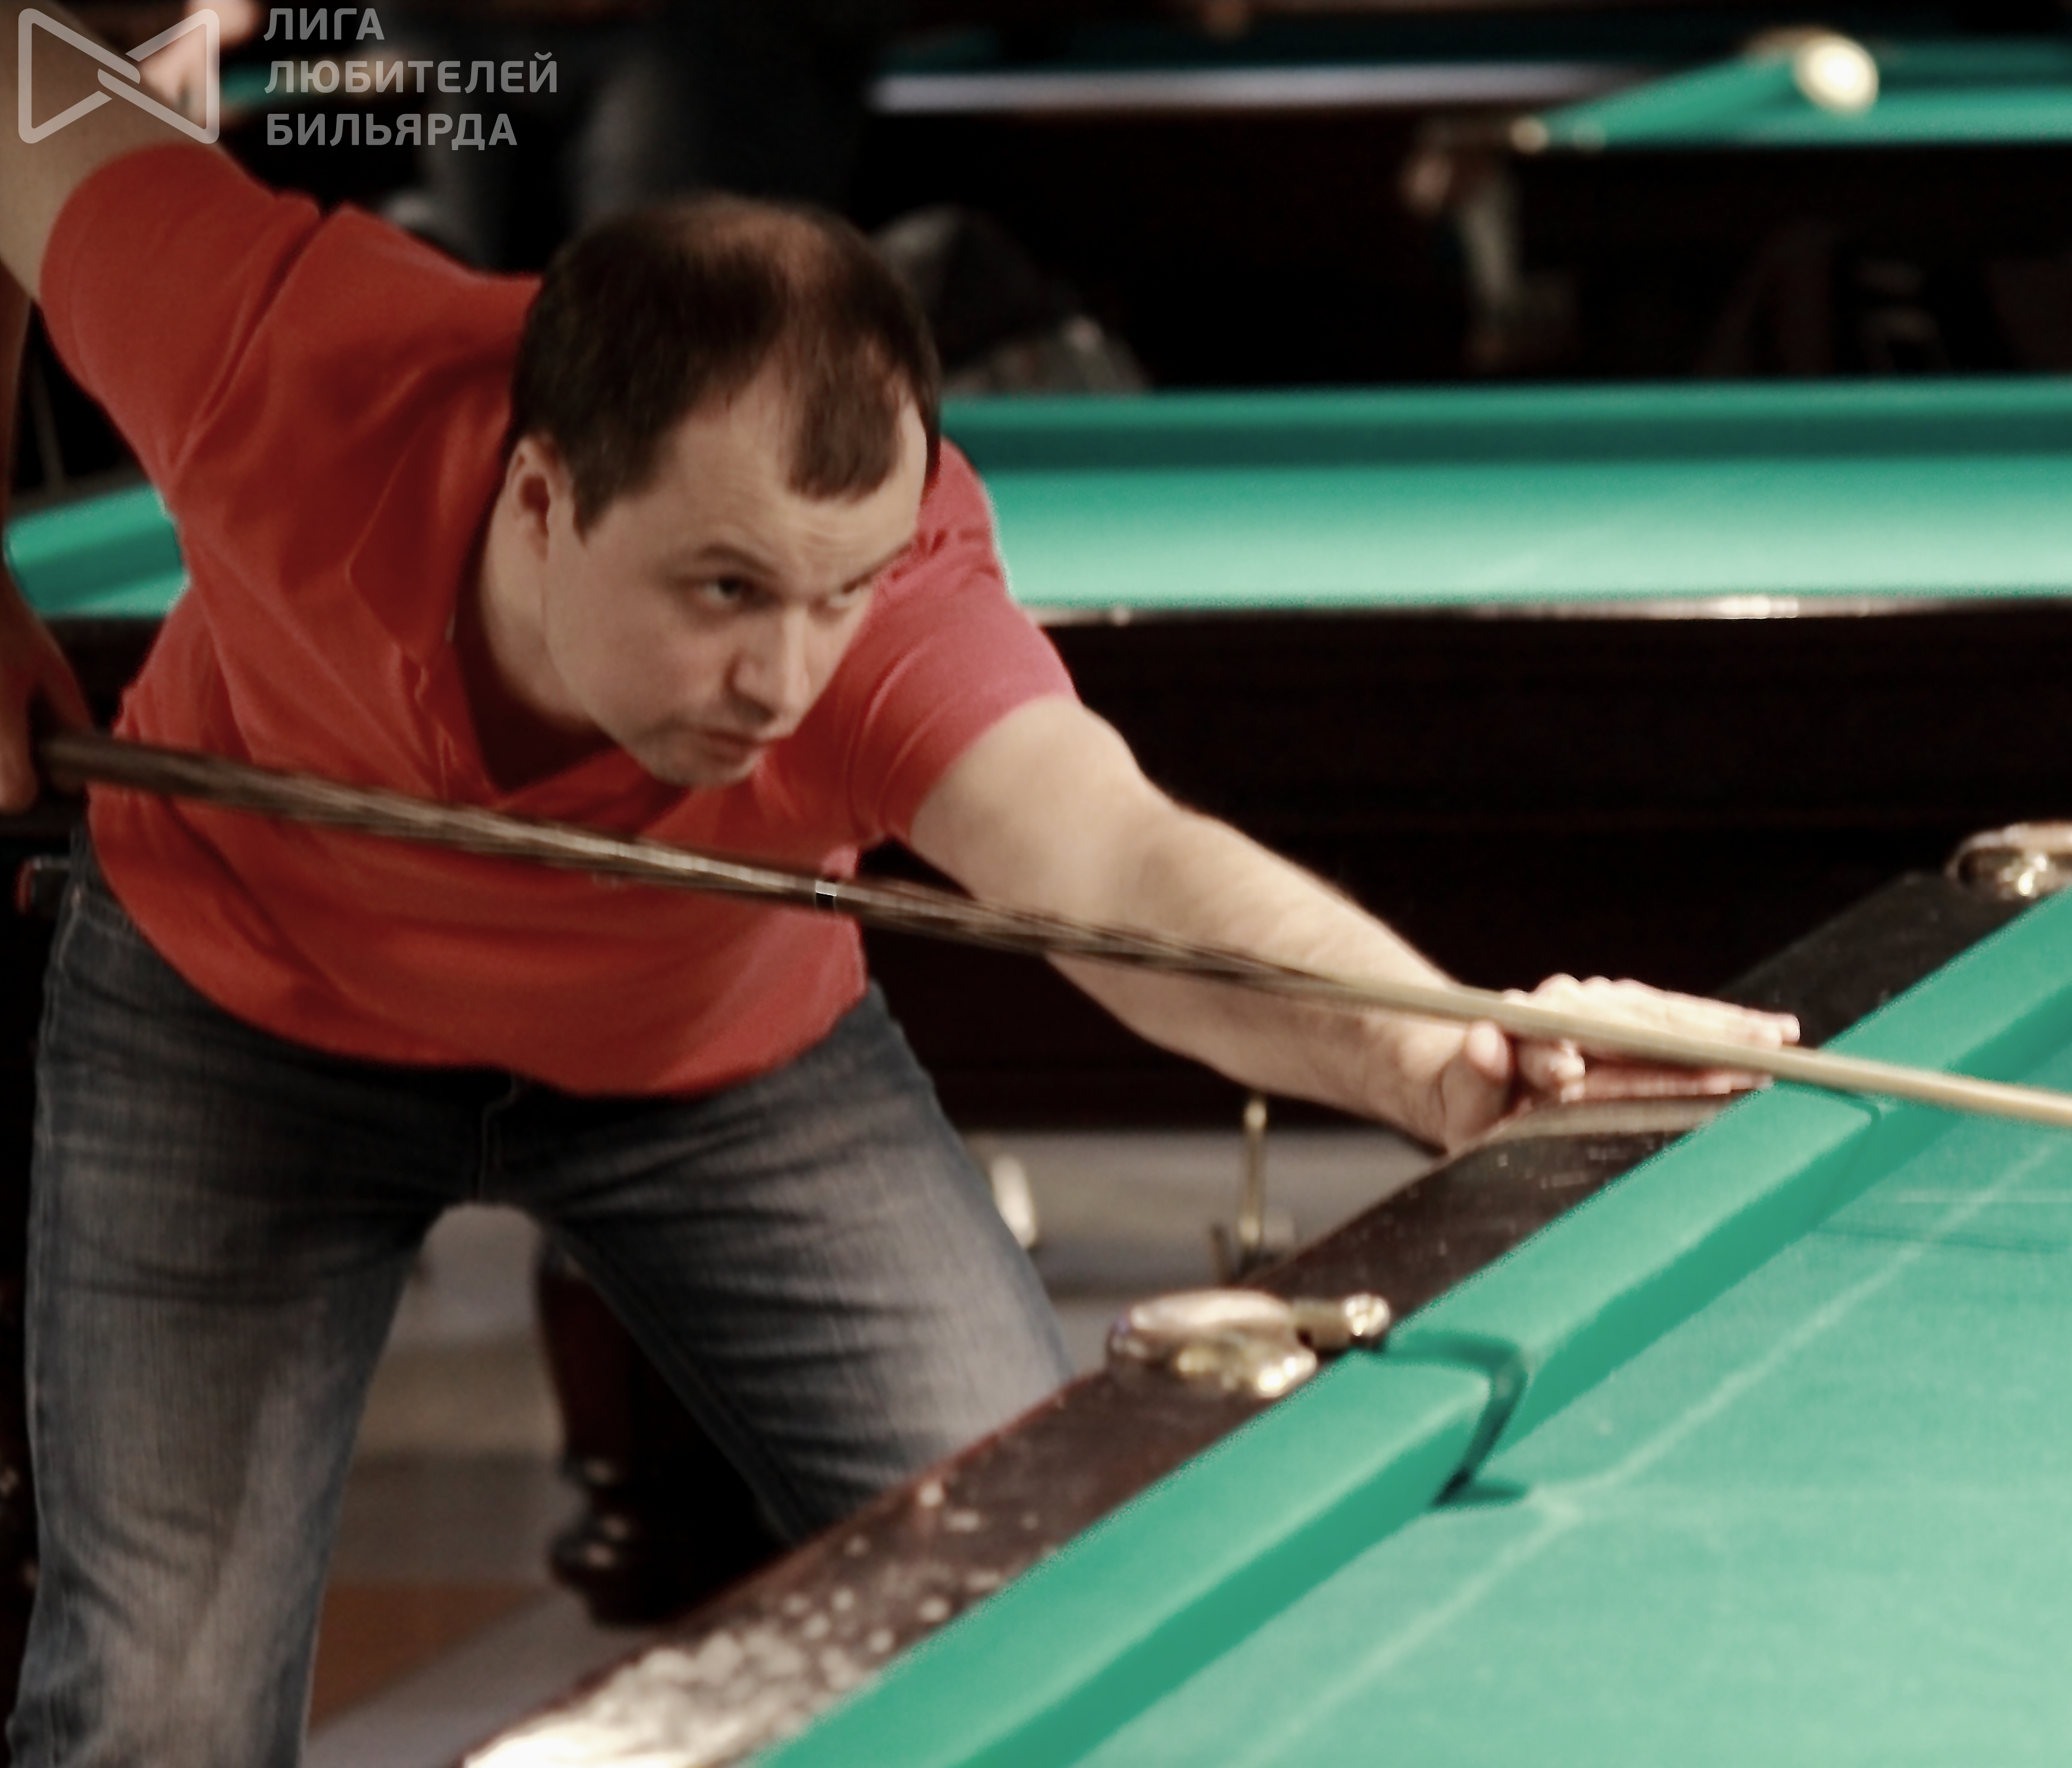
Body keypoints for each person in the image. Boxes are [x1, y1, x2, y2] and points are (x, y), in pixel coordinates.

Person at [0, 8, 1799, 1762]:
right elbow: (17, 73)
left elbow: (1117, 864)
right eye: (723, 591)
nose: (788, 680)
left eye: (838, 594)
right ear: (543, 501)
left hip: (715, 1062)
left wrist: (1435, 1054)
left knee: (1054, 1599)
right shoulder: (288, 359)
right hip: (236, 1018)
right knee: (155, 1719)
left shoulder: (892, 615)